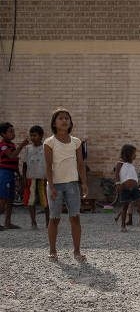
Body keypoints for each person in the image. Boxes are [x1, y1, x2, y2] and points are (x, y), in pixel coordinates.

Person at [44, 109, 88, 261]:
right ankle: (52, 250)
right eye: (61, 118)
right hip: (55, 185)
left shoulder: (76, 142)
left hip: (72, 185)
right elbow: (48, 166)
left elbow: (81, 164)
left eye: (67, 118)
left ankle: (77, 251)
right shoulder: (49, 142)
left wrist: (84, 183)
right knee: (54, 218)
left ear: (70, 122)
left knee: (75, 217)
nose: (64, 121)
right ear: (54, 123)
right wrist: (51, 187)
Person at [0, 122, 30, 230]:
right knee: (2, 198)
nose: (13, 133)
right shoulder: (3, 145)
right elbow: (12, 156)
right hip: (4, 173)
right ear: (3, 134)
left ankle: (7, 222)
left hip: (11, 173)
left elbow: (14, 161)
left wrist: (19, 174)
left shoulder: (12, 145)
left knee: (10, 199)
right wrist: (21, 146)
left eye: (13, 131)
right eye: (10, 131)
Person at [114, 144, 140, 233]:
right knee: (125, 207)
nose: (135, 155)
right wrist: (117, 184)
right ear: (128, 154)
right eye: (134, 153)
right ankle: (123, 225)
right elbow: (117, 174)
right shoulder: (120, 163)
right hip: (125, 188)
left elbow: (132, 176)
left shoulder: (131, 165)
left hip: (135, 188)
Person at [21, 125, 49, 229]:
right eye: (31, 135)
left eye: (35, 135)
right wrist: (24, 178)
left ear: (41, 136)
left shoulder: (46, 148)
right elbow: (24, 164)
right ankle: (33, 222)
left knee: (45, 200)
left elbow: (50, 164)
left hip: (43, 177)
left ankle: (48, 222)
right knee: (31, 200)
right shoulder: (28, 148)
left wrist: (49, 178)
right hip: (30, 177)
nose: (32, 138)